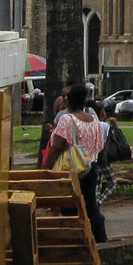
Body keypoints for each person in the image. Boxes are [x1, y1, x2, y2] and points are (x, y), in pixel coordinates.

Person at [44, 82, 108, 242]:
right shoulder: (94, 120)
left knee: (70, 208)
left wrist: (46, 169)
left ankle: (76, 242)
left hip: (72, 169)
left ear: (69, 100)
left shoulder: (67, 119)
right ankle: (100, 240)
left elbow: (57, 147)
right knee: (91, 206)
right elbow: (99, 146)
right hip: (91, 168)